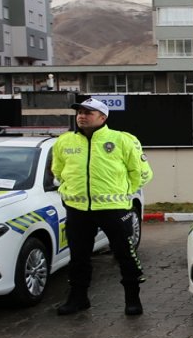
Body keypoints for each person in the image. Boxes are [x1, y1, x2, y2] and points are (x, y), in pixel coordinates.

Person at [52, 98, 153, 316]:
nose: (82, 115)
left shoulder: (122, 140)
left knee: (125, 254)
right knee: (78, 256)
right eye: (79, 112)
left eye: (88, 112)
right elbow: (58, 170)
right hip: (78, 210)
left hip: (114, 209)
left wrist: (125, 192)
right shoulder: (64, 141)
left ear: (103, 117)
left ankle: (132, 299)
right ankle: (78, 298)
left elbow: (142, 173)